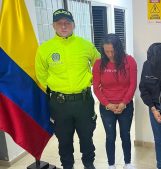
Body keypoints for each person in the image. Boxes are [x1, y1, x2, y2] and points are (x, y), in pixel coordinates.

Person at [35, 9, 99, 169]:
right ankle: (67, 166)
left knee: (87, 138)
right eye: (59, 23)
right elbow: (41, 75)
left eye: (67, 23)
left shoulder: (86, 45)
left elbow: (99, 65)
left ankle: (89, 164)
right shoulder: (45, 49)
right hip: (59, 104)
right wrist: (58, 87)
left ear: (73, 25)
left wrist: (92, 79)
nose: (64, 26)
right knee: (64, 140)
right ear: (53, 25)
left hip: (84, 102)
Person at [92, 34, 137, 169]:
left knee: (125, 135)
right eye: (106, 51)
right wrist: (108, 104)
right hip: (107, 108)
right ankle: (111, 165)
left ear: (119, 48)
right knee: (110, 137)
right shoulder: (99, 64)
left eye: (112, 51)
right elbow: (96, 88)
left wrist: (123, 103)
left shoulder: (129, 61)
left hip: (126, 106)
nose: (110, 54)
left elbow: (132, 85)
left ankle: (128, 163)